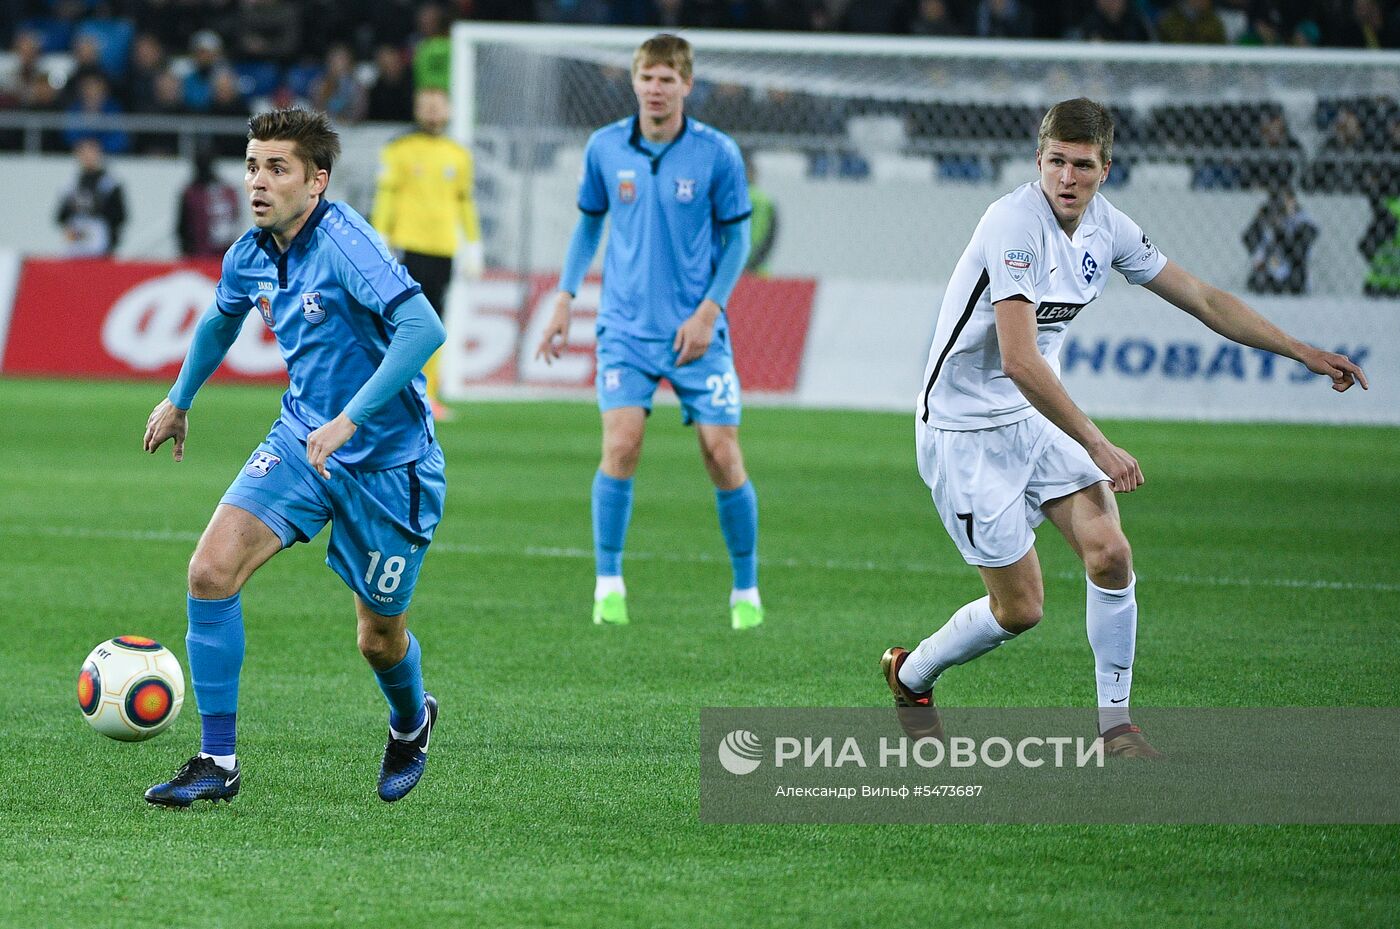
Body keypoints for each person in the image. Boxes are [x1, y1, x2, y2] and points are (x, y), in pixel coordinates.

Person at [883, 98, 1367, 758]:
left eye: (1082, 165)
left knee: (1109, 552)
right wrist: (1098, 441)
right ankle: (911, 675)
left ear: (1105, 169)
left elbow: (1201, 297)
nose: (1066, 177)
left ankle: (1116, 726)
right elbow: (1021, 359)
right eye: (1055, 161)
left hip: (1035, 416)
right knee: (1021, 609)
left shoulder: (1105, 227)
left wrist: (1302, 349)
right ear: (1039, 160)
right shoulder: (1012, 223)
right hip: (964, 432)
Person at [141, 107, 447, 807]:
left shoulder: (348, 243)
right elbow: (222, 318)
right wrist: (180, 397)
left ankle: (411, 721)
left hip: (390, 466)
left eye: (277, 167)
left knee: (378, 638)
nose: (258, 181)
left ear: (316, 182)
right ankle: (217, 758)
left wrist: (349, 419)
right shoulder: (250, 250)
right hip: (301, 442)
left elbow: (422, 327)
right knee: (211, 571)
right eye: (252, 164)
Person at [534, 34, 760, 630]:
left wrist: (710, 310)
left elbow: (738, 240)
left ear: (687, 85)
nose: (655, 89)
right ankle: (608, 584)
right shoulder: (605, 147)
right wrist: (564, 299)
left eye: (667, 80)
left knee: (722, 452)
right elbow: (588, 227)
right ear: (634, 81)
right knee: (621, 446)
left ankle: (746, 588)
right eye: (647, 78)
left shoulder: (718, 154)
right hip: (625, 330)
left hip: (698, 332)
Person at [371, 87, 483, 421]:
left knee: (434, 324)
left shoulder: (458, 154)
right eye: (427, 106)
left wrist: (473, 245)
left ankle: (427, 394)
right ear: (417, 110)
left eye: (439, 106)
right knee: (402, 325)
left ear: (448, 110)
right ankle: (389, 393)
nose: (433, 112)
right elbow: (386, 196)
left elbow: (465, 202)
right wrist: (381, 238)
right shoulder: (400, 150)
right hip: (408, 247)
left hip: (443, 249)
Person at [55, 138, 127, 257]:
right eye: (83, 152)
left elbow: (120, 216)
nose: (88, 156)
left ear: (99, 154)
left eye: (91, 152)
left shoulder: (110, 185)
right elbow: (60, 217)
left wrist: (96, 209)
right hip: (75, 248)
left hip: (103, 249)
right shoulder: (70, 185)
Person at [1243, 186, 1318, 295]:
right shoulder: (1267, 219)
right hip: (1269, 267)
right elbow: (1249, 238)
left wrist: (1285, 224)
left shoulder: (1303, 221)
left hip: (1293, 268)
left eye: (1286, 200)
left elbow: (1304, 243)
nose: (1282, 204)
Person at [177, 142, 243, 258]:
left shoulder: (192, 193)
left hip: (207, 255)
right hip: (205, 255)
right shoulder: (226, 191)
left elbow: (182, 227)